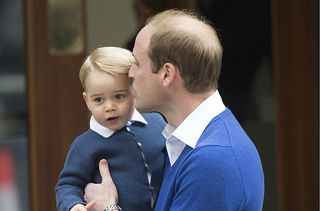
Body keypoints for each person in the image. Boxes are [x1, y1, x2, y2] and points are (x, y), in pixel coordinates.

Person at [84, 9, 265, 211]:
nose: (130, 74)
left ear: (167, 74)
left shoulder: (213, 160)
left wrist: (107, 207)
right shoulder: (188, 142)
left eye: (137, 63)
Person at [55, 47, 166, 211]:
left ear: (134, 91)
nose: (109, 107)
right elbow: (68, 184)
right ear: (87, 101)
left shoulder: (157, 123)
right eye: (98, 99)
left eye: (119, 96)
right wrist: (74, 205)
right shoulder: (84, 145)